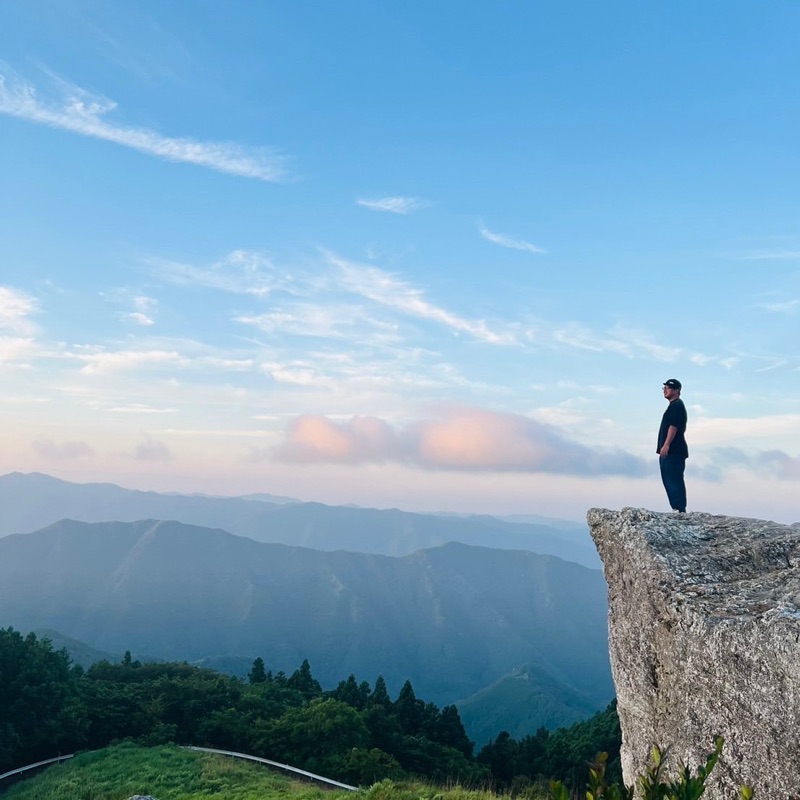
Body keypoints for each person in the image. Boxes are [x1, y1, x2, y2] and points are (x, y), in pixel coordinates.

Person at [657, 378, 688, 512]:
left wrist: (666, 444)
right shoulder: (673, 406)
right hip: (671, 451)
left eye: (668, 388)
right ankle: (677, 509)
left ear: (677, 390)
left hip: (674, 451)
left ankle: (679, 509)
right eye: (664, 388)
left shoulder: (677, 405)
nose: (665, 390)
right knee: (670, 481)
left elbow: (673, 426)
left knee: (674, 480)